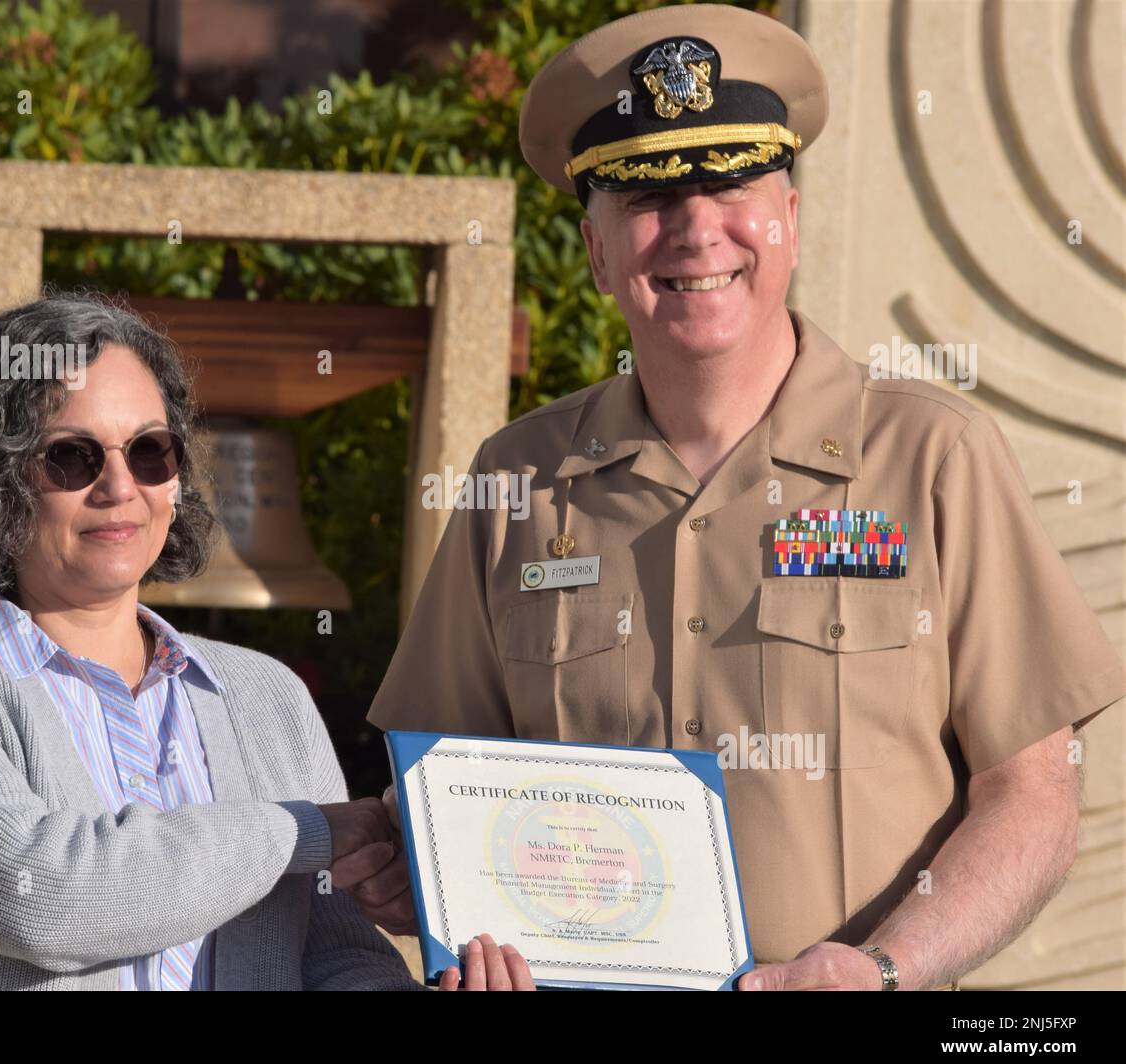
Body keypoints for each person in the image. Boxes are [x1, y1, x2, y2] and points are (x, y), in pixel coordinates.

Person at [356, 4, 1125, 990]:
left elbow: (1032, 793)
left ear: (790, 222)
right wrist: (389, 870)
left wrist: (881, 966)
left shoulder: (935, 459)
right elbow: (442, 795)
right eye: (641, 196)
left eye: (729, 185)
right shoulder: (517, 483)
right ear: (596, 252)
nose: (691, 230)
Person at [0, 291, 531, 990]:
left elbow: (337, 957)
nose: (119, 486)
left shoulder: (268, 695)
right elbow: (35, 894)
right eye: (71, 457)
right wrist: (304, 831)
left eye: (149, 451)